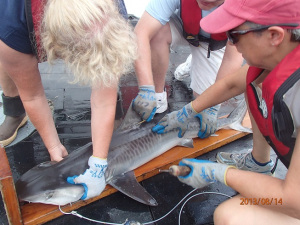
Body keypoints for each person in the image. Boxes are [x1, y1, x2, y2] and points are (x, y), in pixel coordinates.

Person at [155, 0, 300, 223]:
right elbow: (230, 85)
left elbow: (291, 201)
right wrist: (186, 111)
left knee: (229, 216)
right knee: (254, 85)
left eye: (234, 35)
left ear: (274, 35)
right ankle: (259, 163)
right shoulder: (275, 61)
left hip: (294, 199)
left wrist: (219, 173)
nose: (229, 41)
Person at [0, 0, 137, 200]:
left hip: (99, 24)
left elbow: (103, 100)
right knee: (10, 61)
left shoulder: (113, 11)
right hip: (18, 31)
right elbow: (33, 95)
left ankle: (112, 122)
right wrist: (54, 147)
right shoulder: (11, 25)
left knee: (106, 78)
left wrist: (98, 163)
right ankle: (14, 110)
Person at [131, 0, 244, 123]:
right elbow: (141, 33)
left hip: (212, 45)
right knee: (157, 32)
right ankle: (158, 96)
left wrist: (213, 105)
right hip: (184, 26)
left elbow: (232, 59)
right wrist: (146, 88)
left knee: (204, 104)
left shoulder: (243, 5)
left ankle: (193, 63)